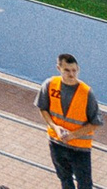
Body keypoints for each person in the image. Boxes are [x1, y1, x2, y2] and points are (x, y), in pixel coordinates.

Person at [38, 53, 100, 189]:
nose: (72, 74)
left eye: (74, 70)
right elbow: (43, 108)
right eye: (67, 70)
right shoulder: (50, 84)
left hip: (80, 148)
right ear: (58, 68)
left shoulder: (86, 92)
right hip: (56, 142)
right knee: (64, 179)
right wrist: (55, 127)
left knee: (84, 184)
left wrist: (72, 135)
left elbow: (95, 122)